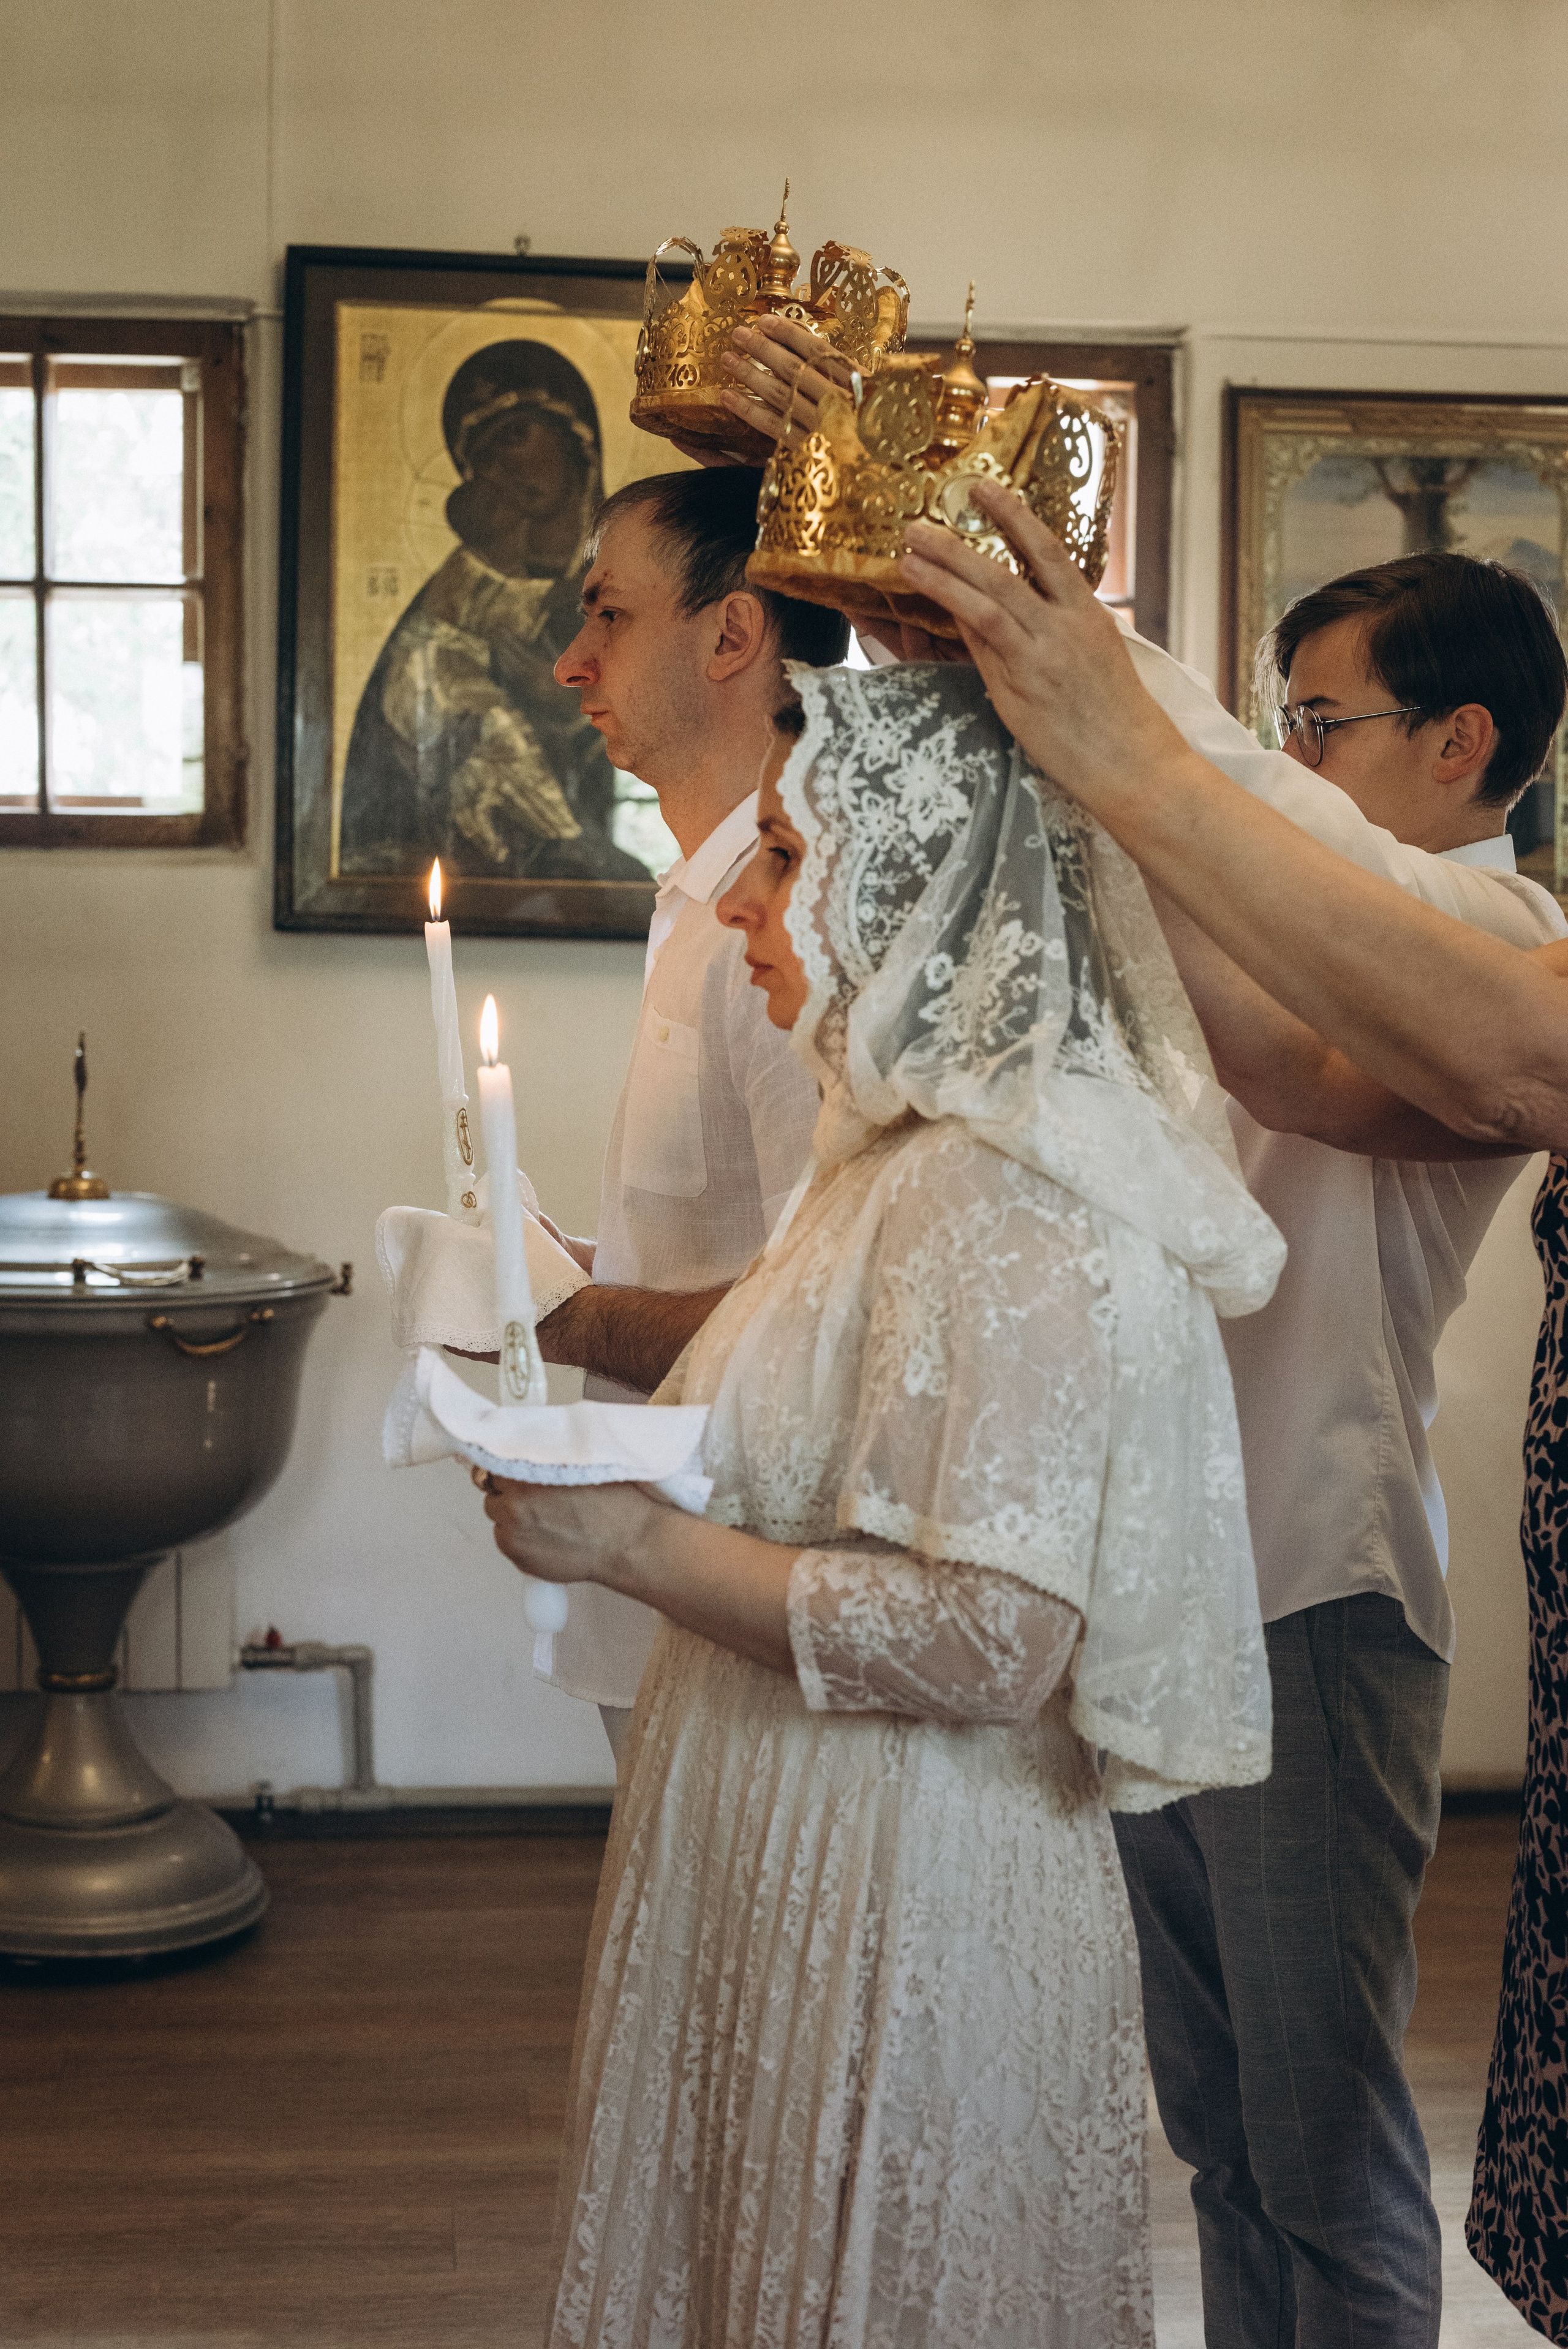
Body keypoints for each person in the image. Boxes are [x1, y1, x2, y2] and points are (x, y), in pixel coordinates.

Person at [480, 657, 1287, 2346]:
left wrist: (633, 1542)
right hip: (808, 1846)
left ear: (915, 876)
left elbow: (997, 1635)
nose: (753, 905)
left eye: (789, 855)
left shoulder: (1007, 1189)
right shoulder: (897, 1158)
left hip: (908, 1891)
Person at [885, 488, 1568, 2345]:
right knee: (1221, 2132)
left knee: (1319, 2132)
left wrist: (1086, 671)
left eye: (1317, 722)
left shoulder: (1488, 923)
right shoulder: (1317, 930)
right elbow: (1217, 965)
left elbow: (1243, 869)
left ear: (1459, 746)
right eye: (1273, 721)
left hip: (1309, 1596)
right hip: (1172, 1587)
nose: (1284, 759)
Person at [526, 466, 846, 1756]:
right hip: (659, 1550)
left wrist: (559, 1311)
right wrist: (564, 1270)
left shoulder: (792, 921)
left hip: (750, 1577)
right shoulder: (695, 900)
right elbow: (721, 1239)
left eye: (609, 616)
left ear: (731, 634)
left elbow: (822, 1318)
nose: (570, 662)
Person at [339, 339, 650, 885]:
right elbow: (406, 739)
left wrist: (564, 708)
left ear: (576, 436)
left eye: (515, 436)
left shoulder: (637, 580)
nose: (501, 466)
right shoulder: (458, 593)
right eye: (481, 456)